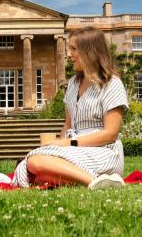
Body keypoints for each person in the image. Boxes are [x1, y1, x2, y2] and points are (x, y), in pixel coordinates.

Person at [12, 27, 128, 189]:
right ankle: (98, 180)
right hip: (76, 150)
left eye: (73, 49)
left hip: (103, 151)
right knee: (36, 170)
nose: (69, 55)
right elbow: (68, 125)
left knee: (35, 161)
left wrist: (67, 143)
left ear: (90, 51)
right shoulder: (73, 83)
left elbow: (110, 134)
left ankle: (92, 181)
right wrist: (57, 144)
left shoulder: (112, 84)